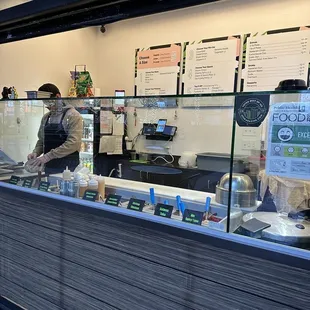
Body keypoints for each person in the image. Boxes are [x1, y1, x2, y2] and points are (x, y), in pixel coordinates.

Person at [27, 83, 83, 174]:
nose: (48, 107)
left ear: (58, 96)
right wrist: (35, 152)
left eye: (50, 103)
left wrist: (48, 156)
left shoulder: (74, 116)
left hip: (69, 169)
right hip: (49, 167)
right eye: (45, 104)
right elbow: (41, 140)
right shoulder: (46, 117)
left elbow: (73, 143)